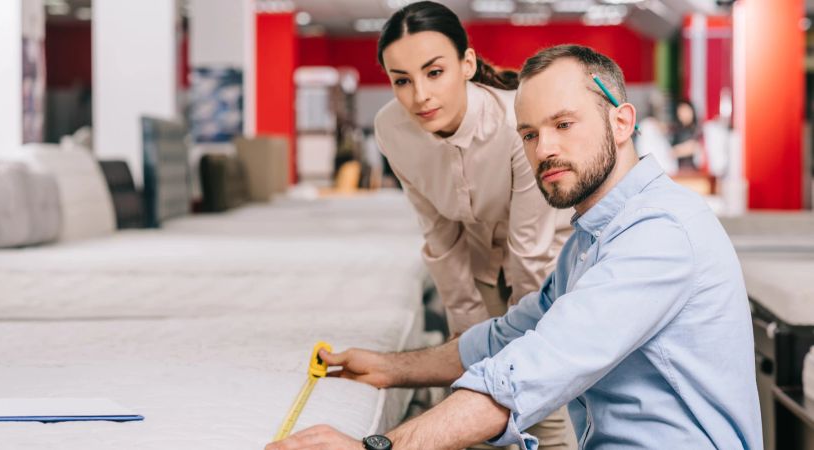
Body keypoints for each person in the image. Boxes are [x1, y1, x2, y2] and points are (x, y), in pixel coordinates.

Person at [265, 45, 762, 450]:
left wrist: (375, 447)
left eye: (563, 125)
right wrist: (392, 369)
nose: (543, 149)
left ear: (621, 122)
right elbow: (506, 338)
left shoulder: (659, 234)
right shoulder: (590, 239)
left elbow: (528, 371)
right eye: (529, 134)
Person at [369, 2, 575, 447]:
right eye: (401, 80)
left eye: (434, 72)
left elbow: (530, 247)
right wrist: (466, 336)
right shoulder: (392, 129)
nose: (419, 95)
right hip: (480, 260)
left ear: (466, 64)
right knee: (469, 402)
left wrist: (525, 342)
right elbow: (439, 235)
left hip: (545, 263)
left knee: (541, 404)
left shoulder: (514, 121)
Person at [671, 99, 702, 171]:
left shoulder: (697, 128)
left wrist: (675, 151)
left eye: (686, 111)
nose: (684, 114)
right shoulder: (677, 131)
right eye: (681, 112)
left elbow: (693, 147)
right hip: (679, 170)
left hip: (694, 170)